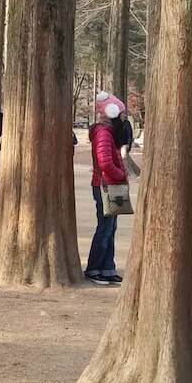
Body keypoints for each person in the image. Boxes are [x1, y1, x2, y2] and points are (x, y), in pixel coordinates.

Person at [86, 91, 128, 286]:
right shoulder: (102, 133)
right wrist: (120, 175)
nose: (123, 119)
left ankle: (107, 268)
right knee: (104, 227)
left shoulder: (109, 133)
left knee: (111, 227)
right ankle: (94, 268)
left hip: (113, 185)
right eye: (121, 115)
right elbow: (105, 162)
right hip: (105, 185)